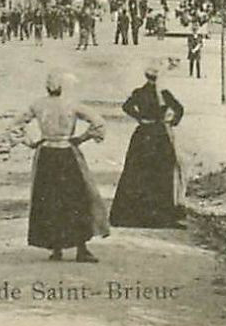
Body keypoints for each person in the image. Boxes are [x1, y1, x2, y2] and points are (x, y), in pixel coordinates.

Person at [17, 72, 110, 262]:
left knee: (50, 201)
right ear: (63, 88)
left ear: (46, 88)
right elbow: (99, 123)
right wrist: (82, 138)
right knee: (76, 200)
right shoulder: (72, 104)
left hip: (46, 156)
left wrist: (31, 142)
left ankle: (57, 248)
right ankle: (81, 249)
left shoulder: (38, 104)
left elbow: (16, 125)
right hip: (67, 153)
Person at [110, 65, 186, 227]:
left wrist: (139, 118)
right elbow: (179, 109)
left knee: (137, 171)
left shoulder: (139, 92)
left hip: (143, 134)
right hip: (159, 134)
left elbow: (126, 106)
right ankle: (159, 215)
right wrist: (172, 122)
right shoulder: (164, 94)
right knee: (161, 172)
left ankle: (135, 214)